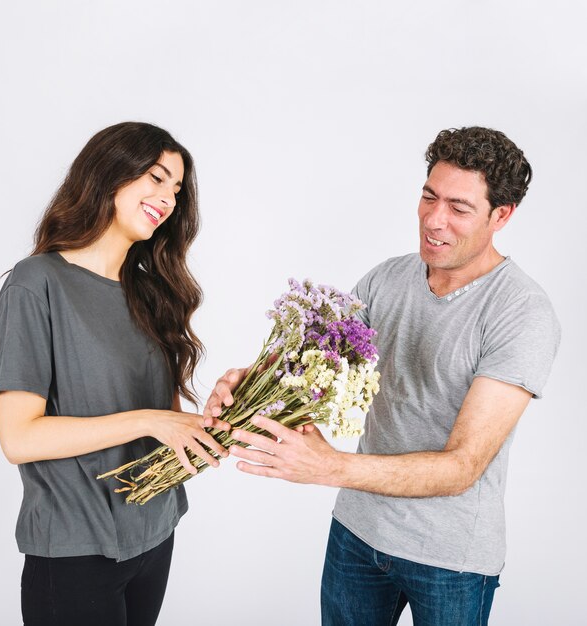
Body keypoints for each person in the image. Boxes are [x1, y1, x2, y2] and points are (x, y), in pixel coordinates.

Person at [204, 127, 561, 625]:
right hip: (357, 533)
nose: (434, 220)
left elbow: (461, 467)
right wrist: (248, 385)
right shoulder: (385, 279)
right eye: (428, 196)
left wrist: (330, 468)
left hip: (450, 558)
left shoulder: (522, 312)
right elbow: (313, 368)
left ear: (501, 215)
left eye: (459, 208)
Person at [0, 121, 230, 626]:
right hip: (76, 551)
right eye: (156, 177)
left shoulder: (151, 291)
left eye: (177, 189)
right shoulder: (37, 283)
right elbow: (18, 437)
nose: (168, 197)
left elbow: (166, 422)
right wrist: (149, 421)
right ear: (110, 173)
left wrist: (206, 429)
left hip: (156, 533)